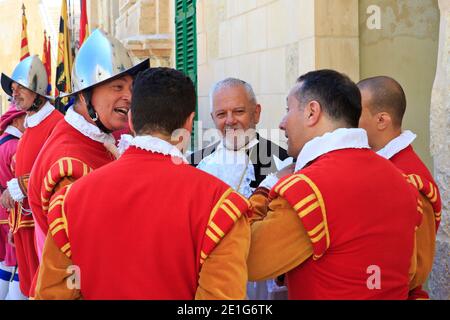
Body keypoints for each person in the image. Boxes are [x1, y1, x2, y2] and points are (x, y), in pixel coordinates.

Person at [34, 67, 250, 300]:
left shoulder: (70, 201)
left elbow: (52, 294)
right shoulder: (220, 205)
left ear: (131, 120)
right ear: (188, 124)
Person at [247, 69, 422, 299]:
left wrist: (268, 186)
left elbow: (250, 260)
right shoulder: (402, 181)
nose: (282, 123)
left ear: (312, 112)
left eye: (288, 109)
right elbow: (410, 273)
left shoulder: (308, 190)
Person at [28, 28, 149, 263]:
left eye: (132, 89)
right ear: (84, 96)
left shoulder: (94, 138)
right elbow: (81, 251)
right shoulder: (68, 161)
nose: (129, 97)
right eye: (118, 87)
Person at [189, 78, 290, 299]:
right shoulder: (195, 164)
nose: (230, 121)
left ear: (256, 113)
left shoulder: (284, 162)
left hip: (263, 279)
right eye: (221, 114)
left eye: (239, 111)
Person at [357, 76, 442, 300]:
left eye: (355, 113)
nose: (347, 121)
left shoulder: (410, 179)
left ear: (382, 120)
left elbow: (417, 267)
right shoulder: (374, 165)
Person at [0, 55, 63, 297]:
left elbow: (55, 170)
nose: (14, 94)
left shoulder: (56, 123)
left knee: (46, 288)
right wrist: (16, 227)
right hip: (24, 223)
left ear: (37, 90)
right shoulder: (30, 124)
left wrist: (19, 186)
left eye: (20, 88)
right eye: (13, 90)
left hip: (43, 225)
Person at [0, 103, 26, 300]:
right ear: (16, 120)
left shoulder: (1, 142)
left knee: (4, 265)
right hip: (10, 212)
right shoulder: (16, 146)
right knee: (18, 266)